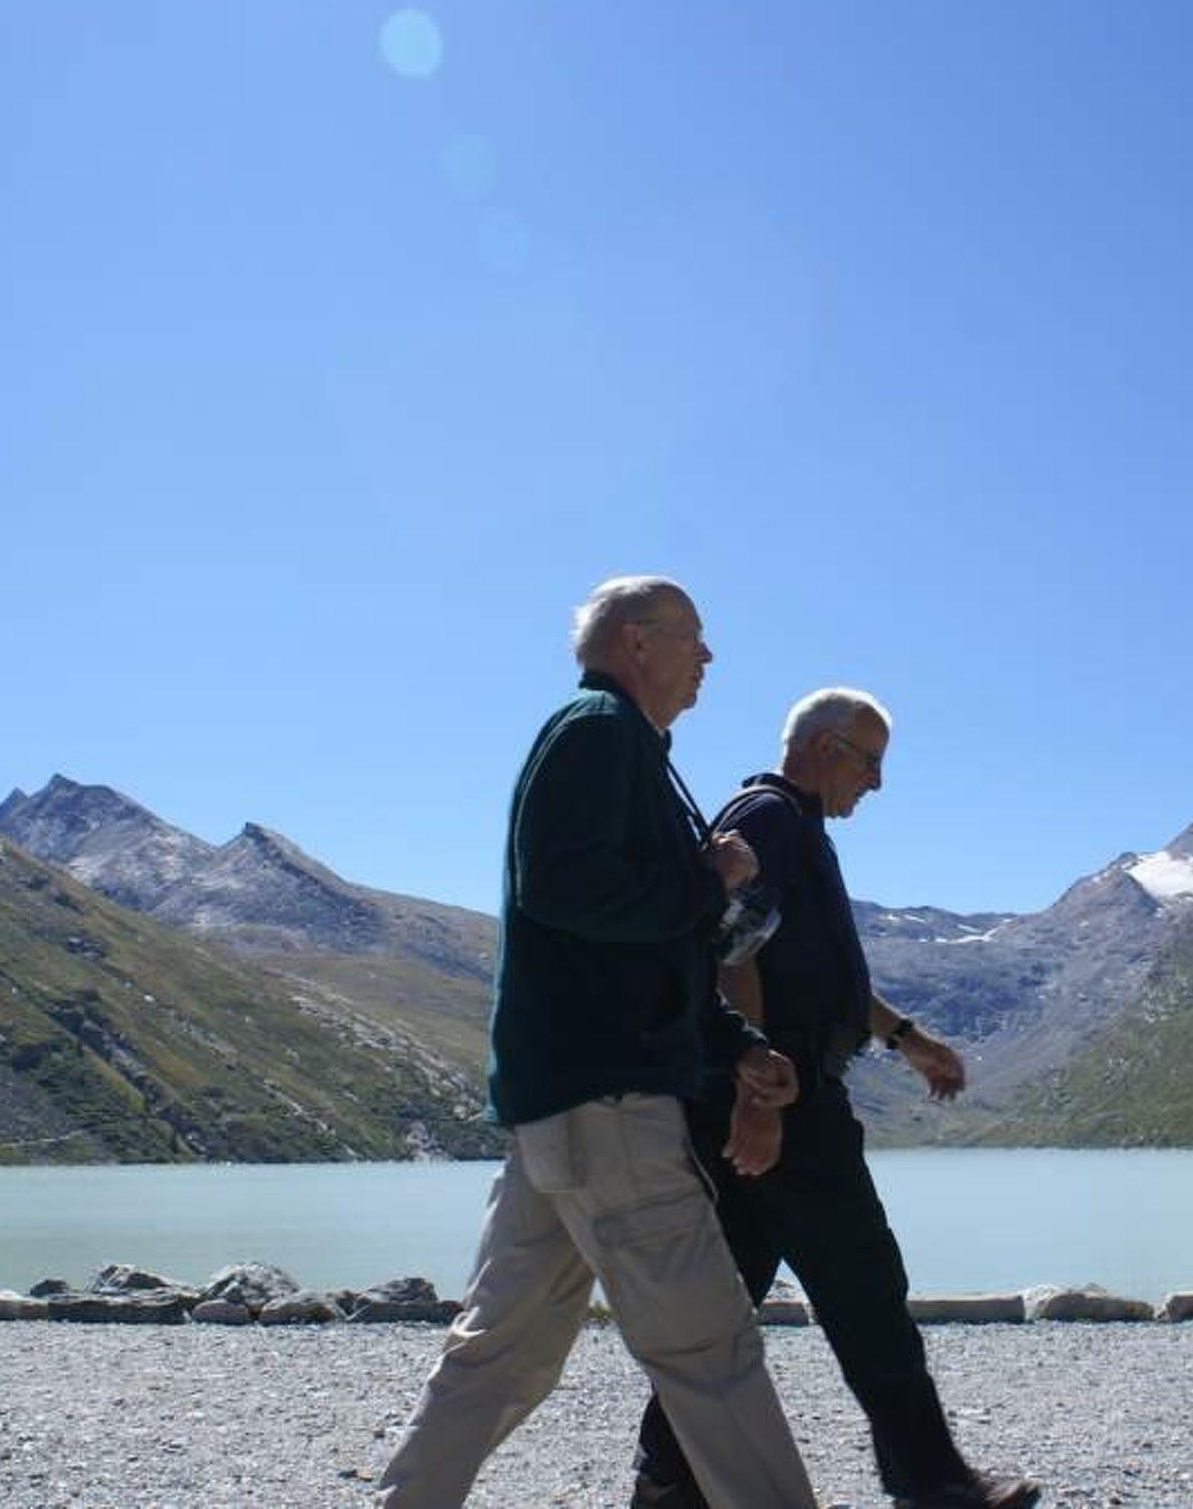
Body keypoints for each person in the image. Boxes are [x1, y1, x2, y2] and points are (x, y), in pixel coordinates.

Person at [375, 576, 821, 1509]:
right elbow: (567, 887)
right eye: (693, 638)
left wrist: (734, 1040)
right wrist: (712, 880)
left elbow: (629, 947)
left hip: (564, 1104)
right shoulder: (597, 731)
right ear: (635, 640)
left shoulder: (625, 746)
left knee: (501, 1355)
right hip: (610, 1106)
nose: (708, 659)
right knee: (711, 1352)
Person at [632, 689, 1041, 1509]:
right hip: (787, 1103)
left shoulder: (790, 825)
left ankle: (669, 1478)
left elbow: (815, 974)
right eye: (871, 762)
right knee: (866, 1287)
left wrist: (905, 1036)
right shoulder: (774, 820)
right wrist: (760, 1094)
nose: (877, 784)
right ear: (825, 748)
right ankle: (933, 1481)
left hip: (767, 1095)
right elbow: (729, 949)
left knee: (727, 1296)